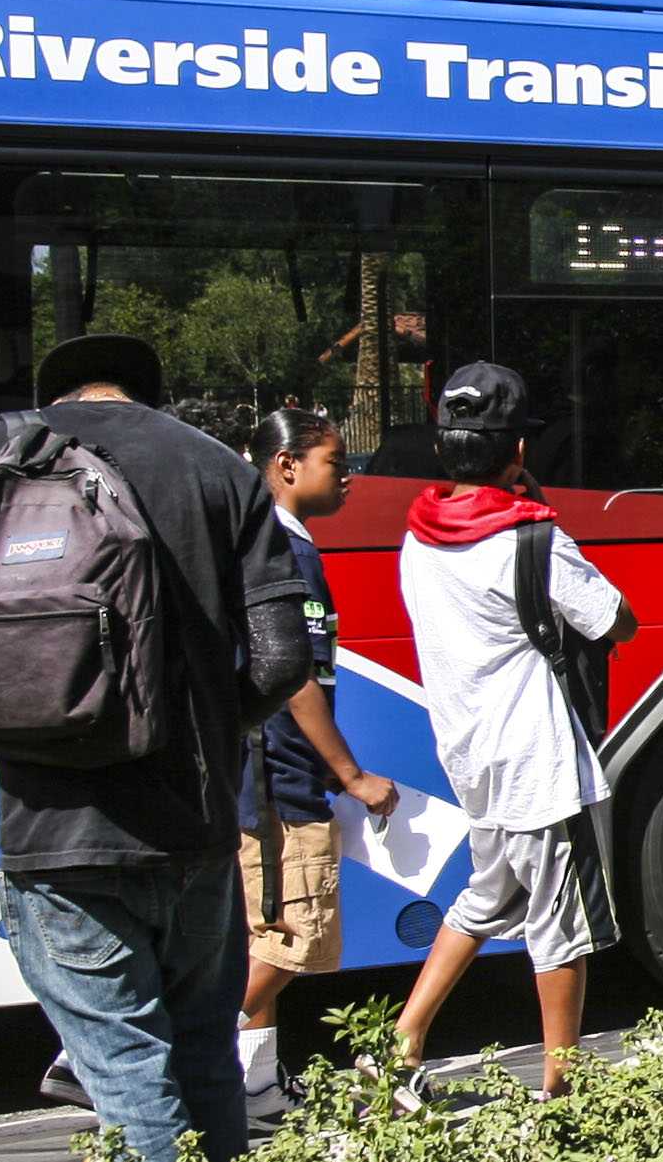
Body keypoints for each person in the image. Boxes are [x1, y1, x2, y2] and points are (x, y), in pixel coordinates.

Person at [0, 334, 310, 1162]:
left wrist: (49, 686)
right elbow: (280, 660)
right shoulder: (219, 468)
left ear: (59, 393)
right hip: (192, 827)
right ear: (146, 395)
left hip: (52, 828)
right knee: (205, 1053)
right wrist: (199, 719)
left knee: (128, 1068)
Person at [384, 361, 638, 1105]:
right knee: (562, 927)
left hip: (471, 754)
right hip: (538, 760)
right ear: (519, 451)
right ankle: (562, 1089)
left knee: (485, 897)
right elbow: (612, 617)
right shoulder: (533, 539)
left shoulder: (420, 535)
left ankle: (402, 1042)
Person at [235, 409, 400, 1122]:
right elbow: (294, 677)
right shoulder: (285, 550)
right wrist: (351, 774)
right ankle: (141, 1047)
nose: (350, 479)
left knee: (268, 931)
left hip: (273, 769)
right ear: (286, 464)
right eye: (337, 462)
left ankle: (257, 1084)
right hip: (282, 774)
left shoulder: (273, 541)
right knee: (298, 936)